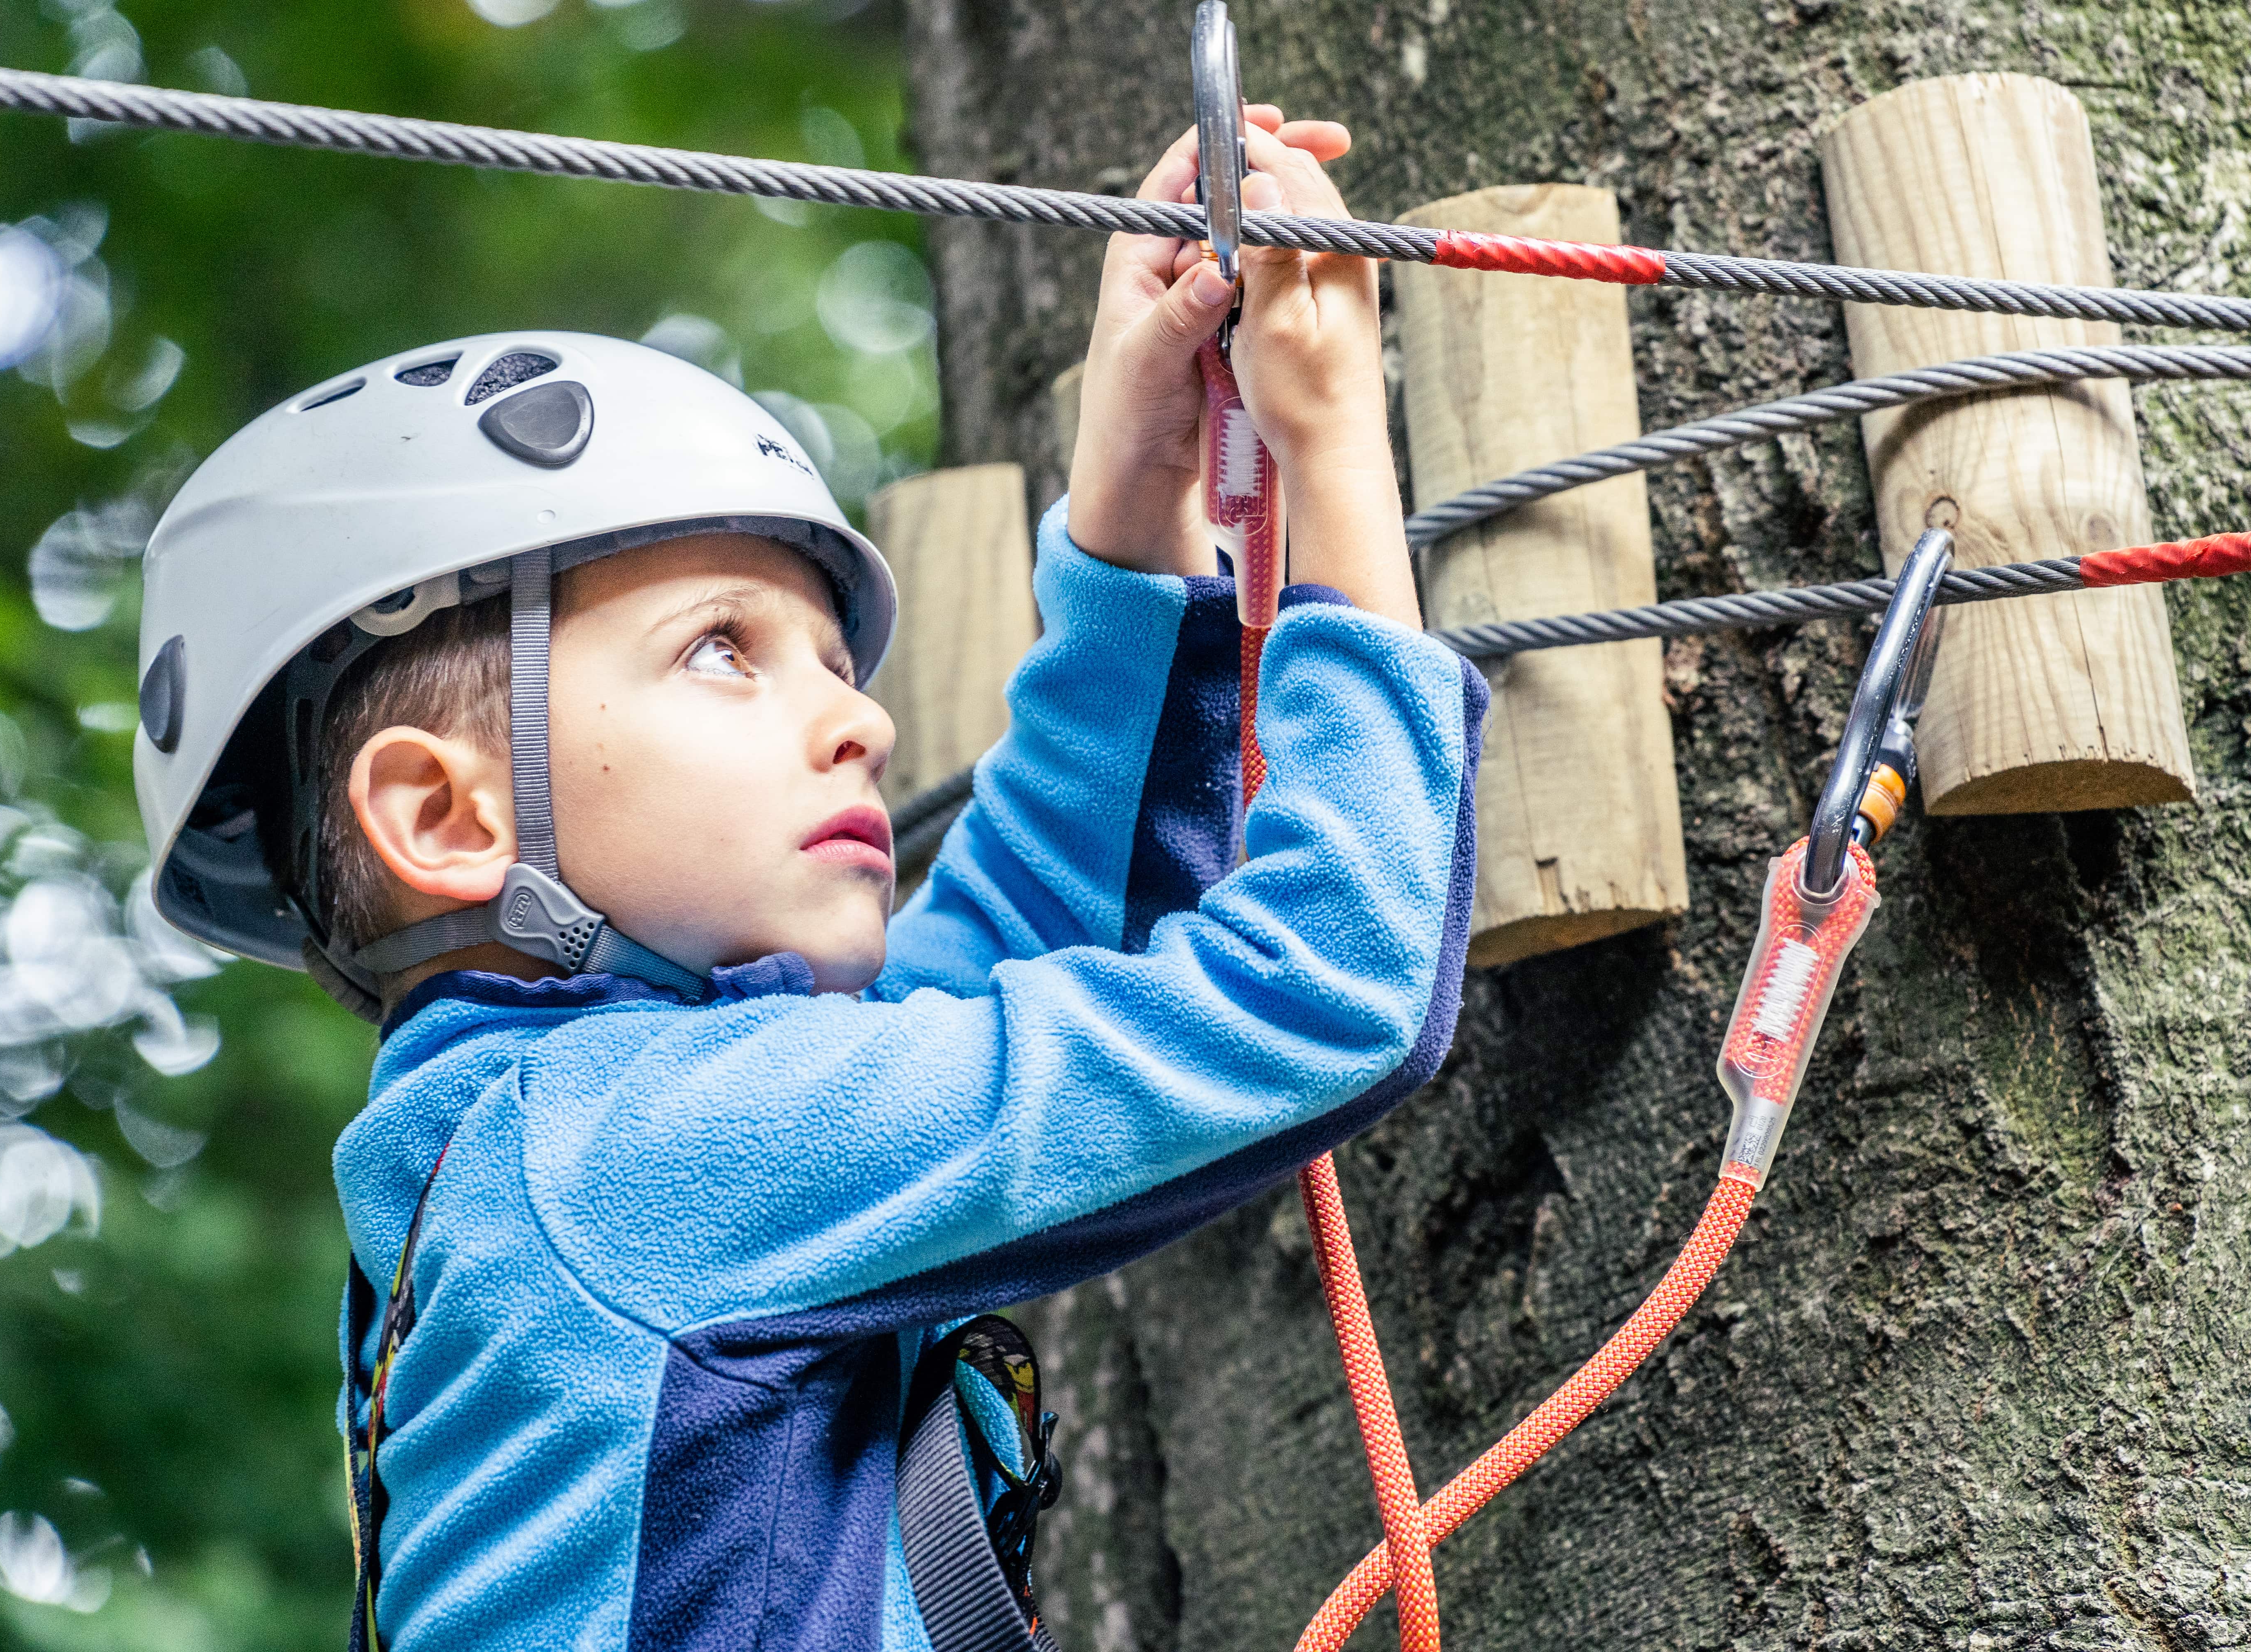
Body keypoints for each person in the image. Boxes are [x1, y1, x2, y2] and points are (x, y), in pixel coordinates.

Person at [132, 109, 1483, 1651]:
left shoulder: (554, 1155)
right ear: (446, 818)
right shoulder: (627, 1157)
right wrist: (1332, 456)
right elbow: (1326, 994)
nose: (864, 719)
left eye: (835, 663)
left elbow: (996, 957)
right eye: (725, 651)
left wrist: (1137, 494)